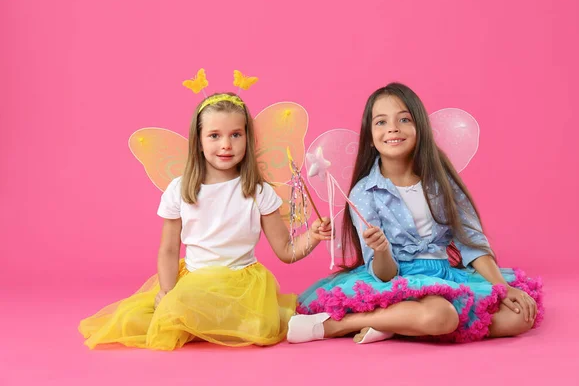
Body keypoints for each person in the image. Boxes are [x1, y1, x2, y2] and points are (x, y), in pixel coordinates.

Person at [287, 83, 543, 345]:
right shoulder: (364, 192)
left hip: (444, 275)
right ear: (370, 136)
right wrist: (383, 249)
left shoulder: (441, 181)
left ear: (419, 127)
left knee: (519, 316)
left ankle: (398, 324)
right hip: (397, 281)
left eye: (404, 119)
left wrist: (503, 287)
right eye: (381, 122)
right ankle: (339, 325)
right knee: (442, 314)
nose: (392, 128)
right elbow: (383, 274)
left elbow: (472, 243)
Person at [79, 92, 331, 350]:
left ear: (248, 139)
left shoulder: (258, 191)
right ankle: (202, 320)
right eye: (214, 135)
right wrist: (167, 291)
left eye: (236, 134)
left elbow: (286, 251)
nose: (226, 145)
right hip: (195, 281)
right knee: (146, 318)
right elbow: (168, 249)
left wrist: (313, 236)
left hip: (242, 287)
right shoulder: (180, 189)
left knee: (262, 326)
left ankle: (214, 323)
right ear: (198, 142)